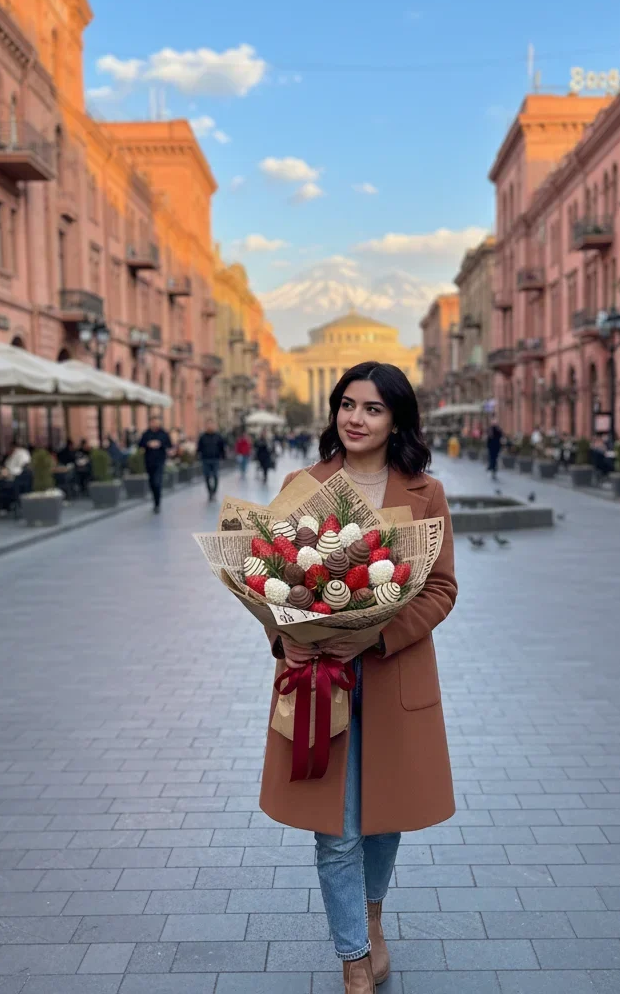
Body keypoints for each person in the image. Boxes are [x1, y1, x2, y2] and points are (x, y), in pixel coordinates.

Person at [261, 361, 456, 993]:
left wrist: (375, 632)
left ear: (397, 417)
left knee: (383, 818)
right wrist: (284, 637)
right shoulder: (302, 486)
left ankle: (373, 921)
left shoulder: (424, 493)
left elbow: (442, 590)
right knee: (336, 825)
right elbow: (268, 581)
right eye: (347, 404)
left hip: (392, 676)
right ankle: (353, 961)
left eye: (372, 408)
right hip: (319, 681)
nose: (356, 418)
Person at [139, 415, 173, 513]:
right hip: (149, 461)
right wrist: (148, 444)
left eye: (156, 422)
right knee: (152, 483)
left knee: (157, 482)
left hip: (160, 461)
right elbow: (140, 445)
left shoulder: (164, 434)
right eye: (153, 422)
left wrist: (160, 444)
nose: (155, 424)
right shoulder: (146, 434)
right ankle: (155, 501)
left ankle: (157, 503)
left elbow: (169, 446)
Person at [196, 419, 226, 501]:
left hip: (215, 459)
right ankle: (210, 492)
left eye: (211, 424)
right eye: (208, 425)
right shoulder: (202, 437)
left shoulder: (218, 436)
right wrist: (198, 455)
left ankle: (214, 491)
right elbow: (199, 448)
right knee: (207, 476)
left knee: (216, 476)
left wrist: (223, 457)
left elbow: (222, 447)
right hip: (205, 459)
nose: (210, 426)